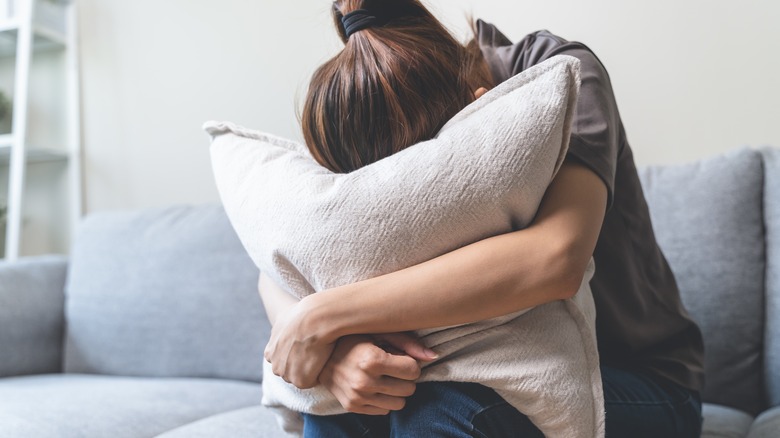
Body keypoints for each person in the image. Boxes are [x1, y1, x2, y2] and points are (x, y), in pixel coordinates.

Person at [260, 0, 705, 436]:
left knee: (445, 404)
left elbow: (556, 257)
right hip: (456, 366)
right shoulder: (361, 101)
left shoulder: (557, 72)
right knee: (339, 408)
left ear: (480, 112)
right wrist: (334, 353)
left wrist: (324, 318)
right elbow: (282, 261)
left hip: (639, 378)